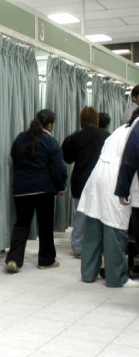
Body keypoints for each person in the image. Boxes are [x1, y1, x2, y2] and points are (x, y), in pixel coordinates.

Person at [79, 108, 139, 287]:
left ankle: (88, 274)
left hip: (97, 177)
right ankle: (116, 278)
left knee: (93, 228)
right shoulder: (134, 132)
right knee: (114, 230)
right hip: (115, 178)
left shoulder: (118, 131)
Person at [6, 109, 67, 273]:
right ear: (49, 124)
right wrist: (61, 186)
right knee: (45, 226)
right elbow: (58, 168)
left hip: (21, 189)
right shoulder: (50, 141)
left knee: (21, 224)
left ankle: (14, 259)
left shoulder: (20, 138)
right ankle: (46, 260)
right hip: (44, 189)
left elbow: (14, 157)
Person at [61, 106, 110, 257]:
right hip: (100, 180)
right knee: (100, 214)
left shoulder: (75, 137)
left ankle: (78, 246)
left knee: (80, 214)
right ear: (96, 120)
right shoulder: (106, 136)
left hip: (80, 180)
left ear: (81, 120)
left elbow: (67, 158)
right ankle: (98, 247)